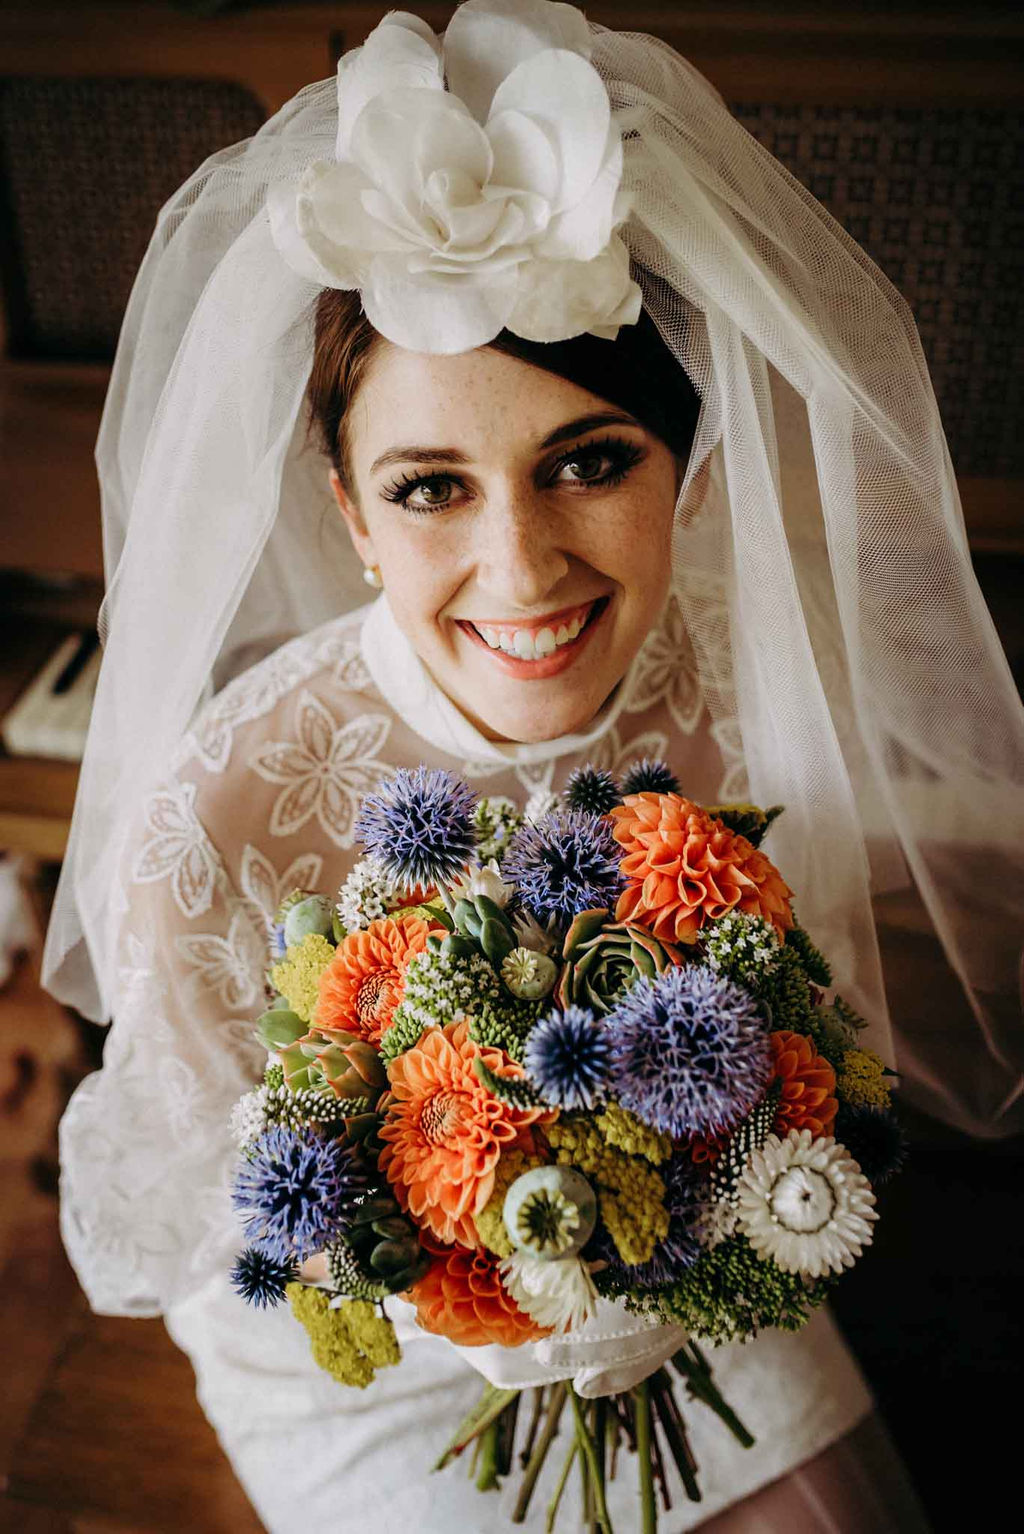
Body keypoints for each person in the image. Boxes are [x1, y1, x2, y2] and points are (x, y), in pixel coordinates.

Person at [41, 0, 1023, 1528]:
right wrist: (478, 1263)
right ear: (351, 512)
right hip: (366, 1352)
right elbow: (213, 1235)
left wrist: (667, 1233)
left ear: (682, 462)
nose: (521, 573)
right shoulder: (216, 824)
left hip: (682, 1257)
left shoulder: (745, 672)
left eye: (588, 459)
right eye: (432, 485)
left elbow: (795, 1024)